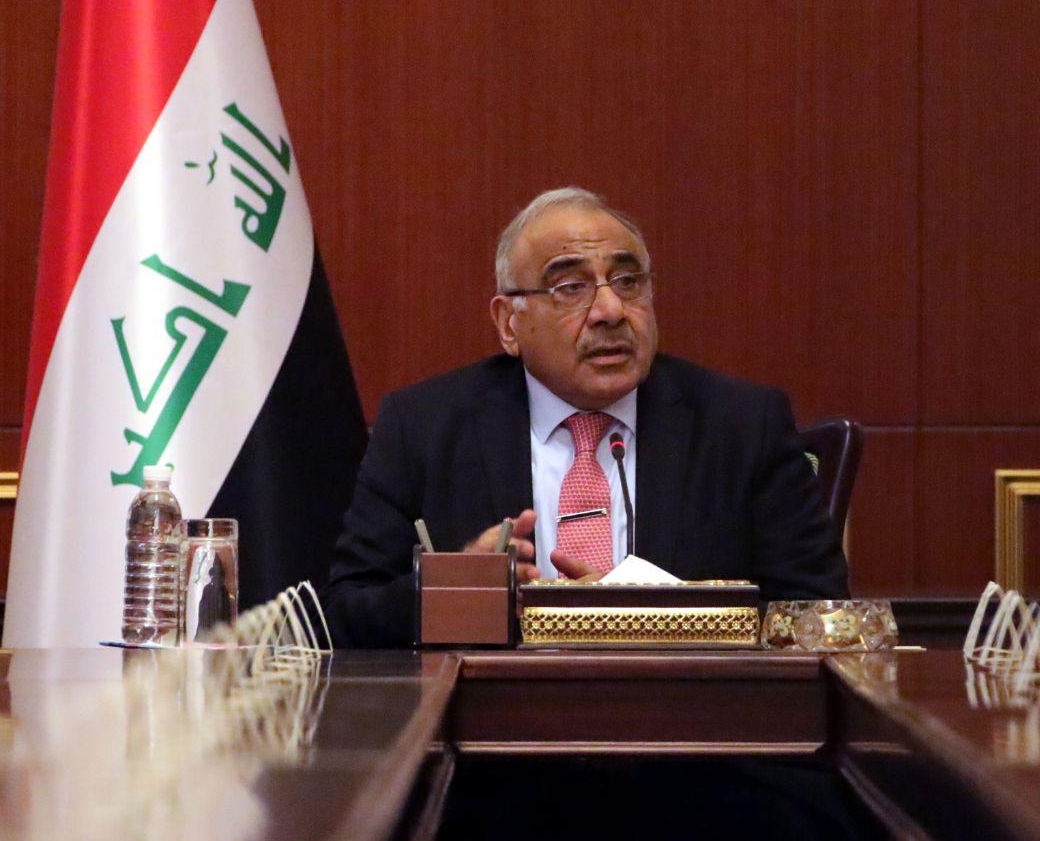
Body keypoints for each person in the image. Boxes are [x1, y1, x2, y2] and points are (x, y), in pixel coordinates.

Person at [321, 187, 849, 648]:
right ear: (509, 324)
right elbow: (343, 613)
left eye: (628, 281)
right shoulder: (423, 427)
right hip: (494, 723)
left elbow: (819, 616)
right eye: (570, 288)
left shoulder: (742, 426)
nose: (611, 311)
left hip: (687, 722)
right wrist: (449, 591)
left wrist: (654, 622)